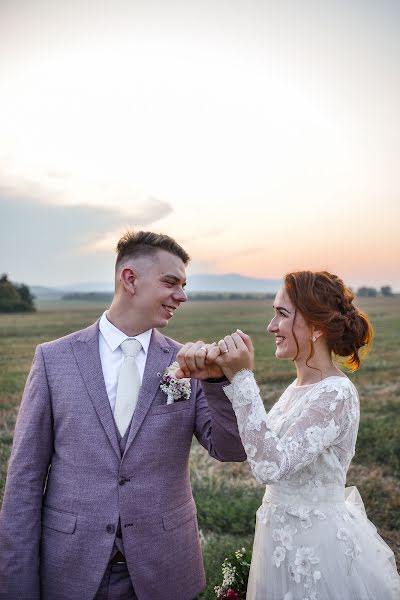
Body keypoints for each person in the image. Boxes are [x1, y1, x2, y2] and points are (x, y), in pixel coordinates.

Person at [0, 230, 246, 600]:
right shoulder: (54, 360)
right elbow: (24, 481)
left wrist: (219, 383)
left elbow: (230, 449)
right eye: (171, 282)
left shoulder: (187, 364)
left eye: (184, 285)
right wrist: (15, 586)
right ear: (129, 279)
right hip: (71, 570)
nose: (182, 295)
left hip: (163, 571)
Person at [177, 270, 400, 600]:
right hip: (280, 538)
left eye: (282, 314)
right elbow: (259, 444)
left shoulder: (336, 393)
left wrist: (242, 378)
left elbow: (269, 466)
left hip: (316, 550)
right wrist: (218, 380)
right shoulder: (298, 388)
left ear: (316, 327)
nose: (271, 326)